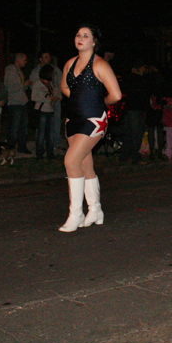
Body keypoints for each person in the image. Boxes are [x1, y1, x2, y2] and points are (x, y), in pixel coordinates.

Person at [59, 24, 122, 232]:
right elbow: (64, 87)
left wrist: (96, 101)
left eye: (86, 36)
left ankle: (76, 213)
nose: (80, 38)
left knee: (71, 161)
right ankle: (95, 210)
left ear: (94, 42)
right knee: (85, 165)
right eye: (78, 34)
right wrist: (79, 99)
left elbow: (116, 95)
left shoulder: (100, 64)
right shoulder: (70, 63)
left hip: (94, 120)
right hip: (73, 119)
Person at [30, 51, 63, 152]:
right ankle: (41, 146)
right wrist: (47, 98)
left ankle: (55, 143)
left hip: (54, 103)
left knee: (55, 122)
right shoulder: (36, 72)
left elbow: (60, 83)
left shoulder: (55, 69)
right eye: (45, 57)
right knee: (41, 126)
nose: (48, 59)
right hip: (43, 106)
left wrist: (58, 96)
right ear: (40, 59)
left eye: (49, 57)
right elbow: (34, 90)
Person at [4, 53, 33, 154]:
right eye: (24, 60)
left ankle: (21, 147)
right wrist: (23, 84)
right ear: (18, 59)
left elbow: (20, 88)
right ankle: (10, 149)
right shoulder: (10, 70)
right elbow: (10, 87)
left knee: (23, 128)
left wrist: (26, 86)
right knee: (14, 128)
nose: (26, 62)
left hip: (22, 102)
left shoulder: (19, 71)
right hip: (14, 103)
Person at [32, 64, 58, 160]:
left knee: (50, 134)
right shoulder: (38, 84)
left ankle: (50, 154)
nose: (53, 75)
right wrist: (47, 99)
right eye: (51, 73)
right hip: (42, 111)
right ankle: (39, 154)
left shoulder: (50, 84)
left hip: (50, 111)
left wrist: (54, 98)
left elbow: (53, 95)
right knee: (41, 134)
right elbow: (33, 97)